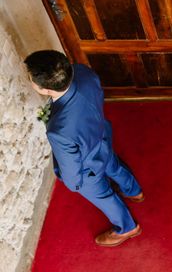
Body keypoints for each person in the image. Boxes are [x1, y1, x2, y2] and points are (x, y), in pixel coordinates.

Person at [24, 50, 144, 246]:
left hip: (88, 163)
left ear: (45, 89)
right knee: (113, 164)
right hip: (102, 135)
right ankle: (134, 191)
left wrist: (75, 185)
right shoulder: (83, 72)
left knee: (103, 195)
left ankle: (128, 227)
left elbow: (71, 170)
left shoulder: (58, 131)